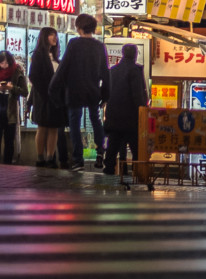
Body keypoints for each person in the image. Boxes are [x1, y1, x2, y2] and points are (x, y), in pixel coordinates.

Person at [51, 12, 109, 172]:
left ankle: (78, 160)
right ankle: (100, 152)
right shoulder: (99, 46)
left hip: (75, 90)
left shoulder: (74, 44)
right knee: (95, 119)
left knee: (74, 123)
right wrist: (106, 95)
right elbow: (105, 72)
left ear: (80, 27)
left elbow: (63, 68)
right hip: (93, 90)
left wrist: (53, 87)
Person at [101, 42, 148, 177]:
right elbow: (137, 95)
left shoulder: (113, 70)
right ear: (135, 54)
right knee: (136, 148)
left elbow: (106, 91)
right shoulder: (135, 70)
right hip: (131, 118)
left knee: (113, 145)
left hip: (114, 116)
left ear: (122, 54)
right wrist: (142, 110)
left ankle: (108, 170)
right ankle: (137, 173)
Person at [29, 27, 65, 167]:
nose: (54, 38)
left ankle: (50, 157)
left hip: (56, 99)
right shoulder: (38, 55)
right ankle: (40, 157)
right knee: (43, 127)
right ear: (44, 37)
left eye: (55, 35)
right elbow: (33, 76)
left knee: (54, 128)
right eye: (51, 35)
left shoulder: (56, 58)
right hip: (43, 98)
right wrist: (45, 92)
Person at [0, 49, 28, 164]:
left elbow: (24, 91)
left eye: (7, 63)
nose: (4, 66)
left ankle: (8, 165)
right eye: (2, 63)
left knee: (9, 141)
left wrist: (11, 88)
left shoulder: (17, 72)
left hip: (11, 112)